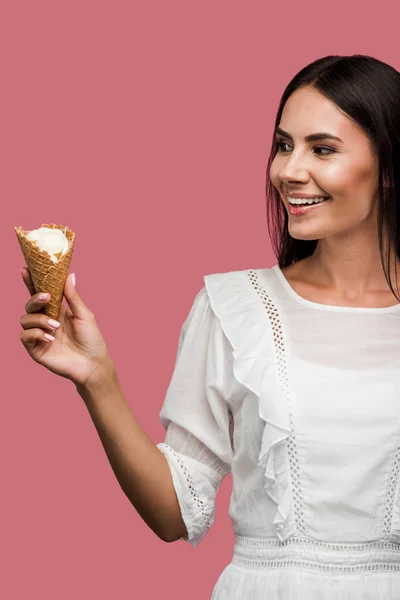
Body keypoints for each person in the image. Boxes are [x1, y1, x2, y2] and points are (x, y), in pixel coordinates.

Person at [18, 53, 400, 598]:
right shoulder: (235, 308)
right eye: (283, 145)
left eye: (322, 149)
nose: (289, 171)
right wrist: (95, 378)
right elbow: (176, 513)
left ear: (388, 167)